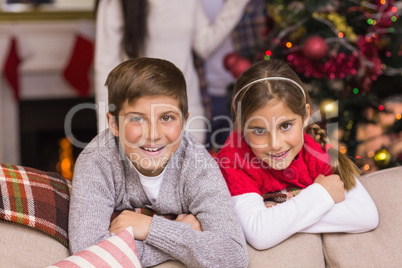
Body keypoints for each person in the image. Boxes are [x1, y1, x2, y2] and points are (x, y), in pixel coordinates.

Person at [69, 58, 248, 267]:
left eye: (167, 118)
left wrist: (150, 228)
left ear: (184, 121)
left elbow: (233, 255)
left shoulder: (197, 163)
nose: (153, 134)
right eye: (137, 118)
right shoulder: (97, 161)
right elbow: (89, 256)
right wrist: (183, 234)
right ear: (114, 124)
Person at [216, 59, 379, 250]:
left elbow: (366, 216)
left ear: (306, 115)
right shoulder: (234, 161)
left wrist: (279, 216)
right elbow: (260, 234)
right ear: (242, 127)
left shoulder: (316, 151)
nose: (275, 144)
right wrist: (322, 194)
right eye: (259, 131)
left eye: (285, 126)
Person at [94, 0, 250, 144]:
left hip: (187, 112)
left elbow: (204, 45)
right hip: (139, 117)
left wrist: (236, 4)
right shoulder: (114, 3)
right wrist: (106, 134)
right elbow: (105, 67)